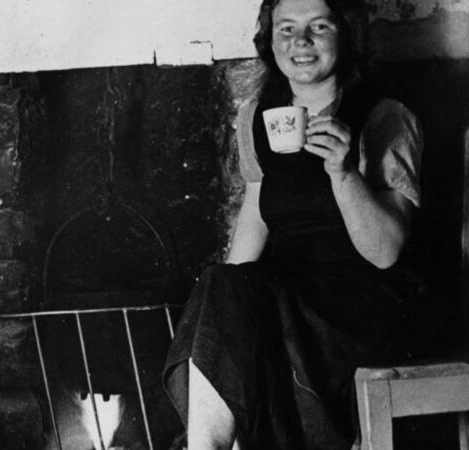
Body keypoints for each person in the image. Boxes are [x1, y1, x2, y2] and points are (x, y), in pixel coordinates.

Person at [162, 0, 425, 448]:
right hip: (291, 296)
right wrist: (223, 307)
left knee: (256, 327)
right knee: (224, 290)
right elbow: (254, 218)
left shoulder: (384, 116)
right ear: (269, 40)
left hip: (362, 306)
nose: (300, 42)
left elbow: (385, 253)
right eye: (286, 29)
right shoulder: (256, 118)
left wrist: (343, 173)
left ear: (346, 35)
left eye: (318, 26)